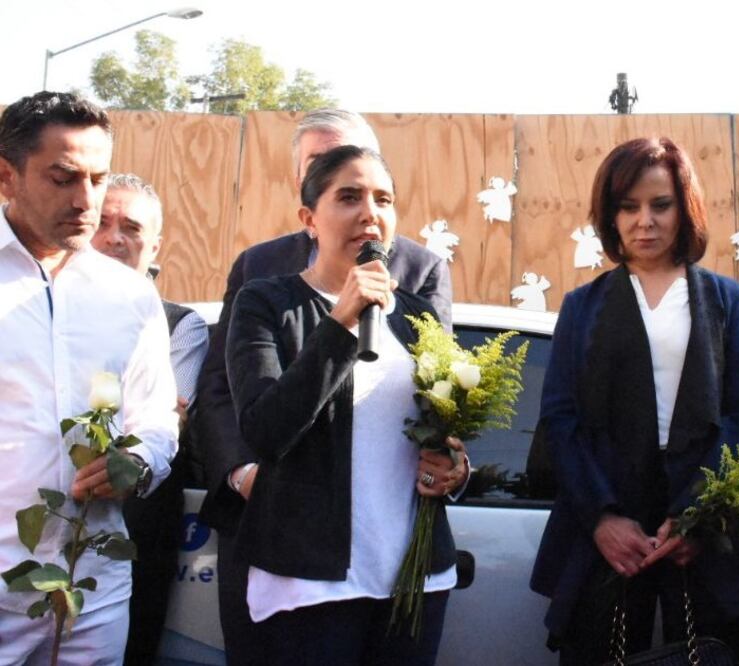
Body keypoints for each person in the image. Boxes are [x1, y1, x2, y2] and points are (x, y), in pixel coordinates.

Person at [192, 109, 452, 663]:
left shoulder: (417, 314)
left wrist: (455, 465)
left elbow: (439, 428)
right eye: (349, 197)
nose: (369, 213)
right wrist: (341, 323)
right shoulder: (266, 303)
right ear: (309, 217)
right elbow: (264, 429)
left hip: (411, 577)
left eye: (383, 199)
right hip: (309, 578)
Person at [530, 137, 739, 665]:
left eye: (660, 205)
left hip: (707, 540)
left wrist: (698, 520)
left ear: (684, 211)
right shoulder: (581, 306)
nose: (645, 221)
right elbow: (560, 420)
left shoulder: (729, 301)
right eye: (629, 206)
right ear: (610, 216)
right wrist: (602, 519)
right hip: (605, 540)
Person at [0, 92, 178, 664]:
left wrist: (138, 462)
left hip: (93, 588)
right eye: (63, 178)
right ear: (7, 176)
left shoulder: (129, 294)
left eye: (98, 179)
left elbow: (156, 419)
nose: (87, 201)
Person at [90, 173, 209, 664]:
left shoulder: (179, 326)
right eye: (104, 222)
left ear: (155, 244)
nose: (115, 238)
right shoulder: (39, 310)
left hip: (136, 531)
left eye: (132, 228)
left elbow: (165, 420)